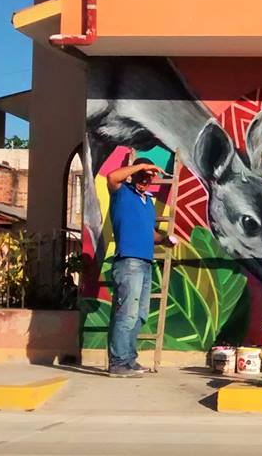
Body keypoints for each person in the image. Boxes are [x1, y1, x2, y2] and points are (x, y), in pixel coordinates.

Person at [105, 158, 174, 378]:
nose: (145, 180)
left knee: (139, 315)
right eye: (142, 176)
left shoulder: (148, 202)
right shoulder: (122, 192)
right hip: (129, 261)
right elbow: (112, 176)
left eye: (148, 178)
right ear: (133, 174)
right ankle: (117, 363)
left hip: (145, 262)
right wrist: (143, 167)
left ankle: (128, 360)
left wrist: (164, 240)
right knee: (127, 313)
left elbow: (151, 233)